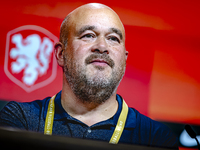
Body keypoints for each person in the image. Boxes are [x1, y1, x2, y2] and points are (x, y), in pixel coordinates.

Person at [0, 3, 178, 148]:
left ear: (124, 60)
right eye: (88, 35)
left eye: (113, 38)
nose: (102, 46)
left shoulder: (155, 138)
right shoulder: (20, 120)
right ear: (61, 54)